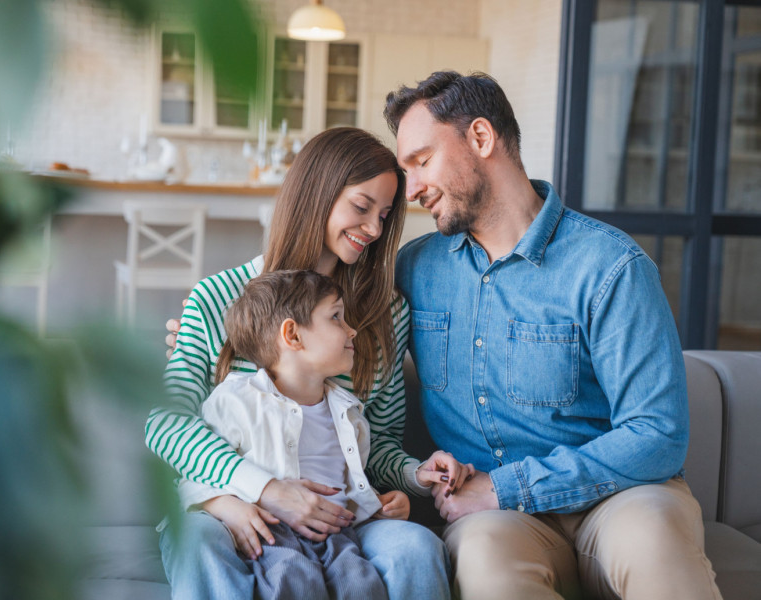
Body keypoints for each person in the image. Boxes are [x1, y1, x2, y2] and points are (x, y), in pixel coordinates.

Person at [384, 70, 722, 599]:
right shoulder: (415, 269)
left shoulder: (610, 265)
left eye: (422, 162)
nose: (413, 189)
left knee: (653, 540)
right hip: (494, 517)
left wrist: (509, 486)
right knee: (485, 563)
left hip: (620, 498)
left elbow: (658, 433)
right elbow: (322, 306)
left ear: (480, 137)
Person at [148, 127, 459, 600]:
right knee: (199, 544)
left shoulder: (384, 314)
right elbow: (166, 424)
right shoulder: (216, 299)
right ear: (316, 194)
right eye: (361, 207)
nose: (374, 230)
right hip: (231, 506)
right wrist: (262, 489)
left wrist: (407, 481)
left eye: (385, 214)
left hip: (340, 517)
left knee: (415, 548)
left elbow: (380, 445)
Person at [180, 269, 425, 599]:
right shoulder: (236, 399)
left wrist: (378, 505)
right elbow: (191, 475)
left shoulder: (348, 410)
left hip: (337, 535)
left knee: (362, 584)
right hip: (272, 533)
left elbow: (353, 481)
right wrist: (227, 506)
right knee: (292, 579)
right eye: (336, 317)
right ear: (293, 335)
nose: (352, 329)